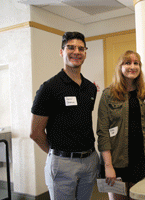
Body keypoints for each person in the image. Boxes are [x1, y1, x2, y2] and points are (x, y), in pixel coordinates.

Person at [30, 31, 99, 200]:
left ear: (85, 53)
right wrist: (57, 154)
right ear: (61, 51)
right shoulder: (49, 88)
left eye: (81, 48)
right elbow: (36, 133)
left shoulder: (90, 88)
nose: (76, 52)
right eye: (71, 47)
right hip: (62, 163)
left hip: (90, 160)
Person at [97, 50, 145, 200]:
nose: (132, 66)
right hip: (117, 162)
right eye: (127, 63)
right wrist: (108, 166)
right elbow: (103, 132)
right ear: (120, 67)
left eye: (136, 63)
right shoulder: (108, 94)